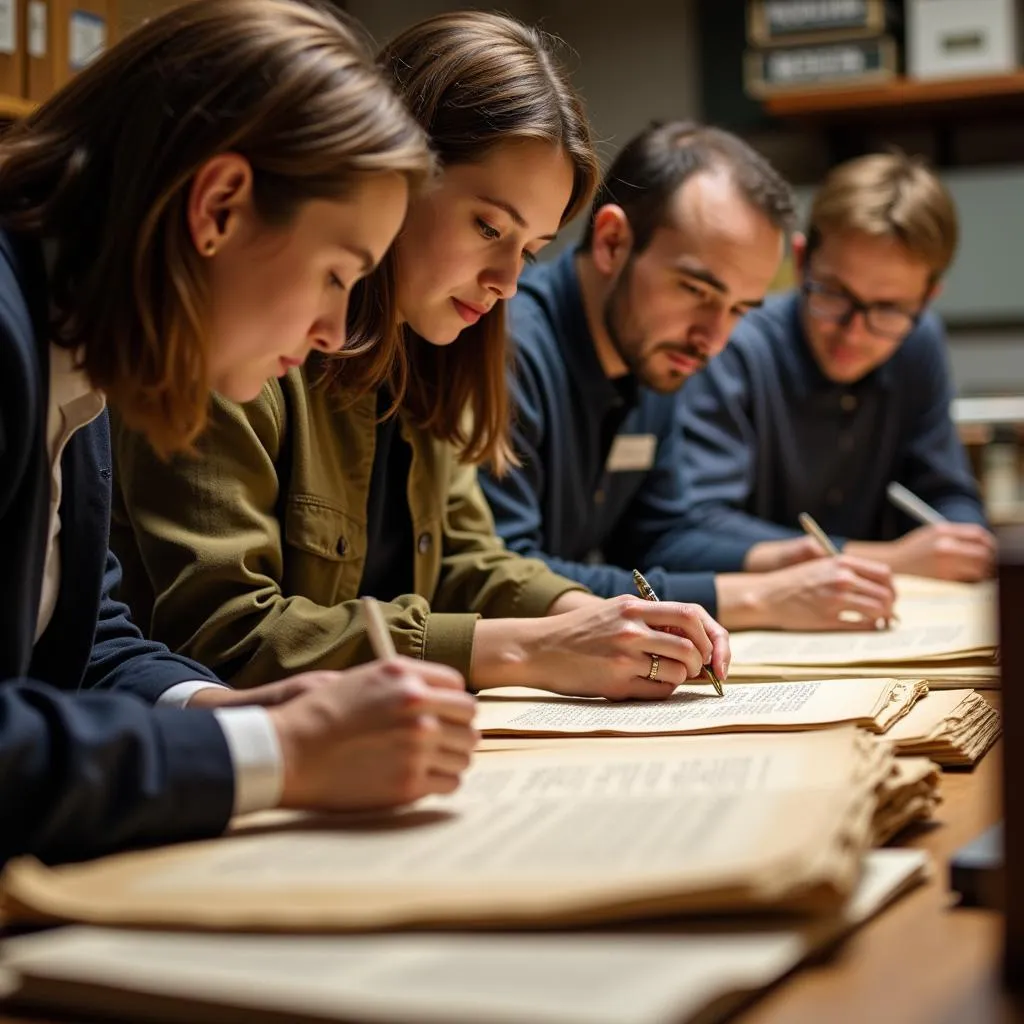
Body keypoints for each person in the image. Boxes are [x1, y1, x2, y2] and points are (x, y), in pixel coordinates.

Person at [111, 12, 730, 699]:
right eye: (488, 226)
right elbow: (221, 634)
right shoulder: (248, 339)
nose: (507, 282)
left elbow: (470, 560)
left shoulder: (433, 352)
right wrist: (531, 647)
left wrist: (603, 622)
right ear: (392, 175)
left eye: (529, 250)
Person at [1, 0, 478, 869]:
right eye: (337, 275)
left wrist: (233, 713)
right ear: (218, 206)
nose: (338, 330)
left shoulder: (83, 344)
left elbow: (80, 643)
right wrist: (278, 758)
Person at [479, 121, 897, 633]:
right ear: (612, 242)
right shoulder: (506, 347)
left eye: (739, 309)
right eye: (696, 291)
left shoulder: (655, 356)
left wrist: (772, 560)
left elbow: (658, 534)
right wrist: (754, 598)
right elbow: (503, 576)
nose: (713, 340)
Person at [675, 151, 993, 583]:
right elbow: (694, 529)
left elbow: (942, 494)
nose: (854, 333)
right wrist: (890, 560)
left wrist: (961, 540)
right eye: (835, 294)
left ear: (927, 297)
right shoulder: (734, 344)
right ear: (802, 261)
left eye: (888, 308)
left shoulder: (919, 342)